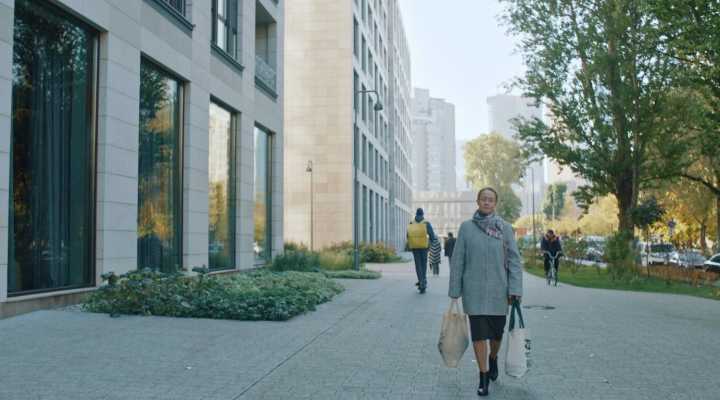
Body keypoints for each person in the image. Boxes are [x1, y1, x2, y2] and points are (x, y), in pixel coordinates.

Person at [449, 188, 523, 397]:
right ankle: (483, 376)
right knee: (479, 334)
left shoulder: (505, 228)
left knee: (496, 335)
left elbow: (514, 261)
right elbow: (458, 259)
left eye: (491, 200)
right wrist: (455, 289)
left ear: (495, 203)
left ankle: (493, 358)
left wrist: (515, 289)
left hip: (499, 291)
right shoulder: (466, 228)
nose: (487, 202)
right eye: (484, 199)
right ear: (478, 201)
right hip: (473, 291)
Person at [407, 208, 436, 293]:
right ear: (423, 214)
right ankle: (423, 282)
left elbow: (408, 235)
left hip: (415, 247)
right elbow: (432, 236)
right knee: (423, 265)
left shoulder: (411, 223)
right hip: (424, 247)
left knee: (418, 265)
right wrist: (429, 244)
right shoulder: (426, 223)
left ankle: (421, 281)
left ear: (416, 214)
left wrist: (412, 243)